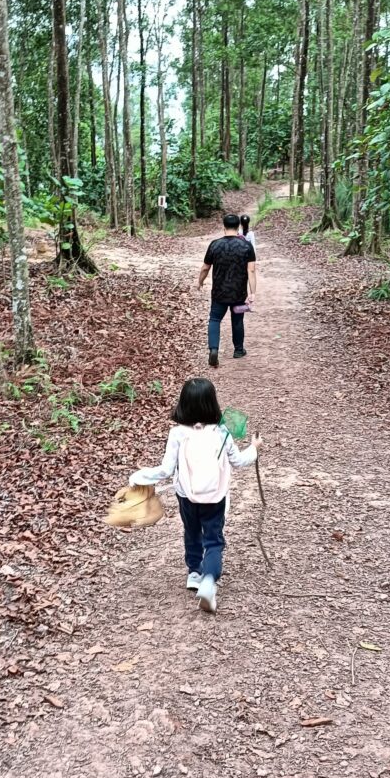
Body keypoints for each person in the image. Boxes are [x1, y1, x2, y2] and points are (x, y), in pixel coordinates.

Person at [129, 377, 261, 614]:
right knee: (213, 539)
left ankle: (194, 573)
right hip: (215, 498)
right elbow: (239, 461)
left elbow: (166, 470)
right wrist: (254, 448)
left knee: (191, 530)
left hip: (186, 496)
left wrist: (139, 476)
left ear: (184, 405)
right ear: (213, 404)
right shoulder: (222, 432)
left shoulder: (178, 434)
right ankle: (209, 580)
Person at [198, 214, 257, 368]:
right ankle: (238, 350)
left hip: (219, 292)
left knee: (215, 319)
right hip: (238, 292)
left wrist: (200, 282)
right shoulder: (246, 246)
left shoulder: (215, 245)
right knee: (237, 319)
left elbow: (205, 267)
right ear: (238, 227)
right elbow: (251, 271)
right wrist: (253, 292)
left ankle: (213, 349)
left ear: (223, 226)